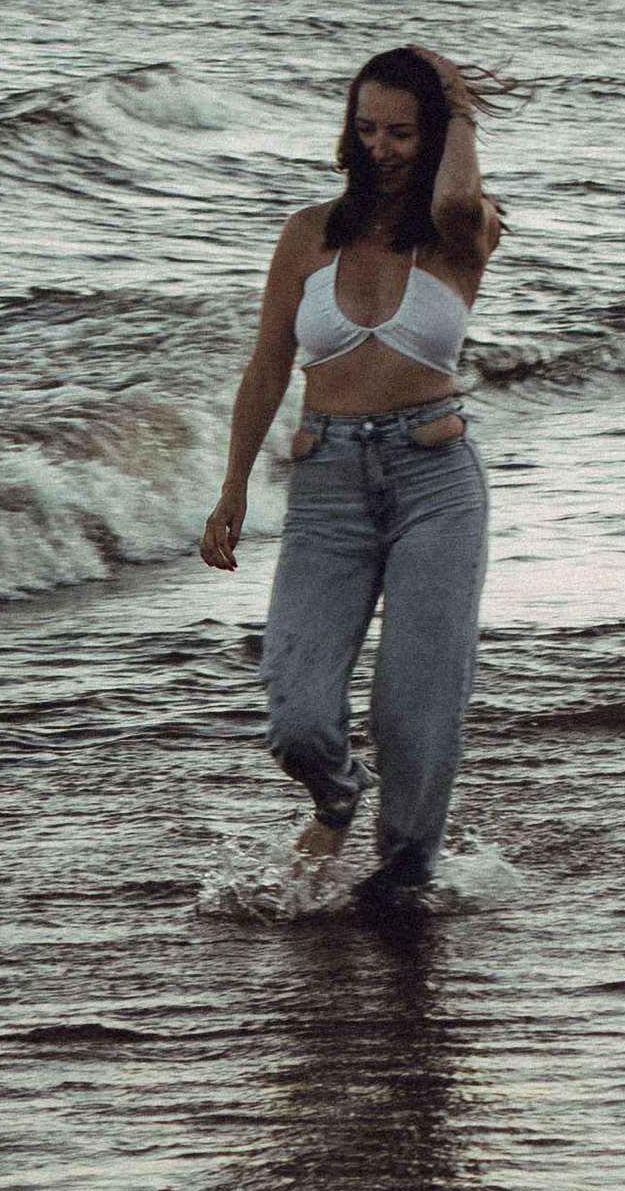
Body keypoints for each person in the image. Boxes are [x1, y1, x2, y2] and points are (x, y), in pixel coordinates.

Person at [201, 45, 504, 911]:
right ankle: (339, 793)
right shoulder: (307, 234)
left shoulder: (462, 229)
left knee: (417, 713)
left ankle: (402, 884)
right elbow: (267, 367)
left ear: (436, 134)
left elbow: (451, 192)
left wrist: (457, 99)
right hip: (326, 481)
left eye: (404, 131)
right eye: (367, 128)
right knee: (297, 714)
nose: (383, 147)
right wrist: (232, 490)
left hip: (436, 483)